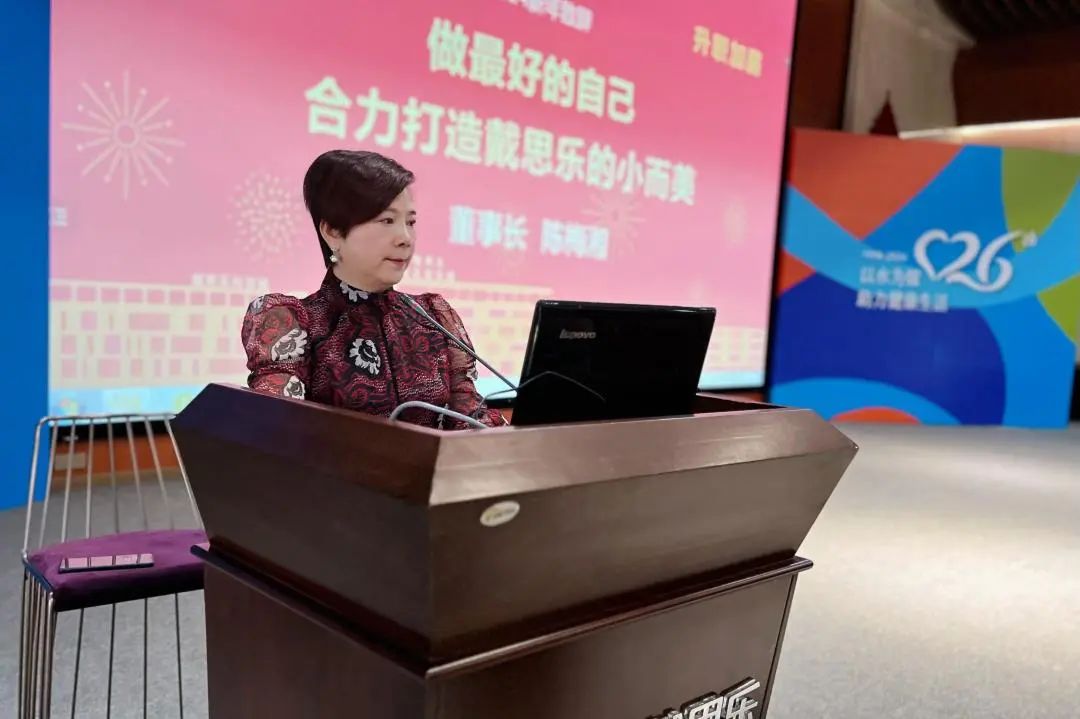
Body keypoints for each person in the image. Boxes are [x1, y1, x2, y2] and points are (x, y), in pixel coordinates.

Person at [241, 150, 506, 429]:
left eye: (411, 222)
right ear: (332, 232)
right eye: (386, 221)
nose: (405, 238)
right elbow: (275, 432)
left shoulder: (433, 317)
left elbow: (471, 421)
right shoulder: (295, 322)